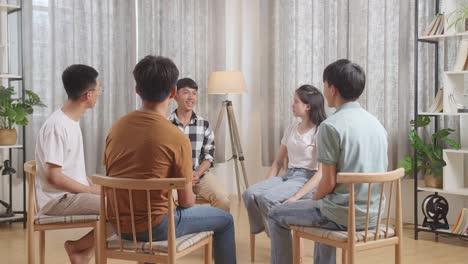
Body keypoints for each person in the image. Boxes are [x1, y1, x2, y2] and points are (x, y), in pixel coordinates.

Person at [104, 55, 237, 264]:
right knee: (226, 220)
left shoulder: (116, 128)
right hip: (157, 226)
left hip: (117, 224)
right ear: (174, 92)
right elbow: (187, 201)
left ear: (137, 90)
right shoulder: (176, 137)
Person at [267, 59, 388, 264]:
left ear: (332, 89)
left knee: (275, 214)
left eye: (324, 85)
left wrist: (305, 200)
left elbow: (328, 183)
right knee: (324, 203)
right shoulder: (377, 124)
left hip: (341, 216)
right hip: (373, 215)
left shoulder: (330, 126)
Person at [35, 64, 102, 264]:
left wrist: (90, 184)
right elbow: (53, 176)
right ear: (88, 95)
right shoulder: (58, 126)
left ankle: (82, 253)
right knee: (122, 208)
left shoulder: (70, 121)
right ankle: (77, 248)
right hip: (57, 200)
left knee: (124, 200)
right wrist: (89, 191)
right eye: (98, 90)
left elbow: (68, 168)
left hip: (70, 195)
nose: (99, 94)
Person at [242, 84, 326, 236]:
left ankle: (278, 237)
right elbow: (277, 162)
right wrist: (266, 183)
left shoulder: (320, 131)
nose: (292, 105)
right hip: (288, 176)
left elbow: (320, 173)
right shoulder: (291, 129)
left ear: (307, 106)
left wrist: (295, 197)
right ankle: (270, 230)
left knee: (266, 198)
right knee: (249, 193)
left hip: (306, 179)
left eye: (296, 101)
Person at [168, 77, 230, 212]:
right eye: (186, 92)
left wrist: (196, 174)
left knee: (223, 199)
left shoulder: (204, 124)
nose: (191, 97)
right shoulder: (166, 125)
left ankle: (217, 232)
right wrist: (183, 178)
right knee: (167, 203)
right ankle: (178, 232)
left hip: (199, 176)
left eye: (194, 93)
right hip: (174, 179)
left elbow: (209, 156)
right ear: (175, 96)